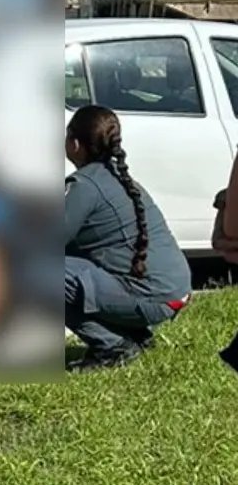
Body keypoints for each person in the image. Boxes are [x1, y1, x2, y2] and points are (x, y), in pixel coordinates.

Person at [65, 104, 191, 370]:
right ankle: (134, 337)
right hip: (173, 291)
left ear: (75, 144)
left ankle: (113, 347)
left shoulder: (85, 185)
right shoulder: (118, 177)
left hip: (153, 297)